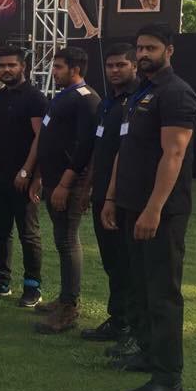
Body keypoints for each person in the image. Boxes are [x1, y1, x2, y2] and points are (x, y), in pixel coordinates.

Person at [101, 24, 196, 391]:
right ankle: (146, 352)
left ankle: (168, 376)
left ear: (169, 51)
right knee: (139, 286)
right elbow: (124, 151)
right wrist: (112, 197)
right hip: (128, 206)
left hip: (160, 212)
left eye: (151, 48)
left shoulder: (176, 94)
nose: (143, 54)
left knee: (162, 293)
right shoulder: (140, 94)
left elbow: (173, 155)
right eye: (140, 48)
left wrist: (154, 209)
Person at [29, 46, 100, 334]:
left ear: (75, 69)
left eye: (58, 67)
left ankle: (70, 307)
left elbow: (85, 147)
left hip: (68, 183)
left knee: (68, 240)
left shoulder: (87, 99)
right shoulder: (62, 96)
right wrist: (40, 176)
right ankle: (64, 298)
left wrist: (66, 184)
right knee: (61, 239)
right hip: (52, 179)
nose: (53, 72)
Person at [0, 48, 47, 307]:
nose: (6, 70)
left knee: (28, 234)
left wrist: (28, 172)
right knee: (0, 231)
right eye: (2, 66)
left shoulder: (35, 98)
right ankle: (0, 281)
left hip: (23, 178)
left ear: (23, 67)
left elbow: (41, 138)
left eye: (11, 65)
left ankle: (32, 286)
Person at [80, 43, 137, 343]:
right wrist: (88, 187)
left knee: (127, 262)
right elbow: (99, 148)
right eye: (110, 65)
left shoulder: (137, 102)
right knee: (112, 261)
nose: (114, 70)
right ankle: (118, 320)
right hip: (101, 193)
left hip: (124, 196)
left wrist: (112, 196)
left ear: (134, 67)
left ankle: (130, 324)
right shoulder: (107, 103)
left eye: (121, 65)